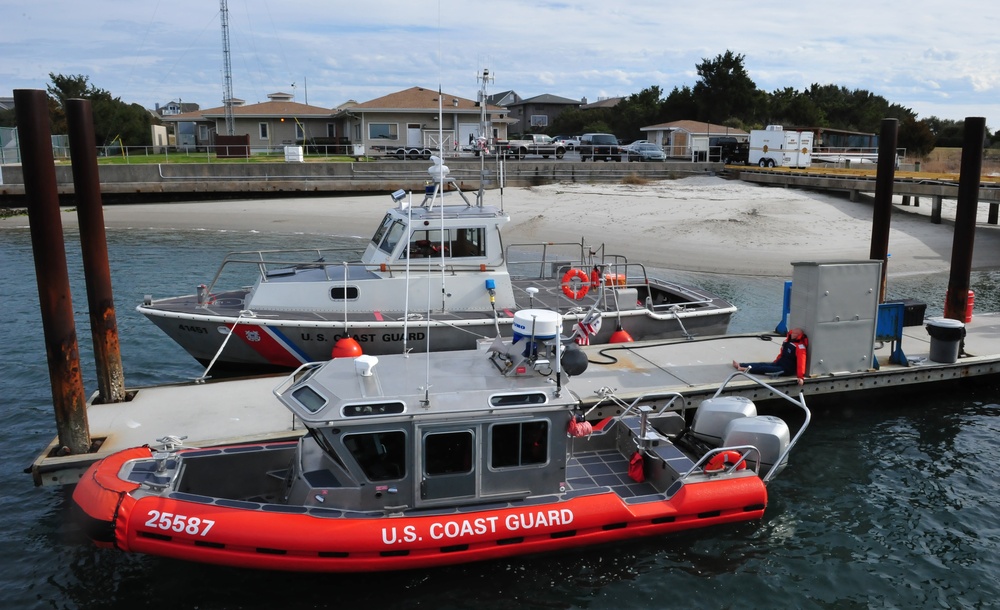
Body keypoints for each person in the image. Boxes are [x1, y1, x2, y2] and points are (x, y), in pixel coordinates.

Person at [733, 328, 809, 385]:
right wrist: (776, 361)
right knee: (762, 364)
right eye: (793, 333)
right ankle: (741, 364)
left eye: (796, 334)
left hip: (786, 369)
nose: (793, 334)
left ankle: (745, 369)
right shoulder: (787, 342)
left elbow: (801, 362)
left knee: (765, 368)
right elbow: (782, 354)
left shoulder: (800, 347)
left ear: (799, 336)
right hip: (780, 363)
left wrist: (800, 377)